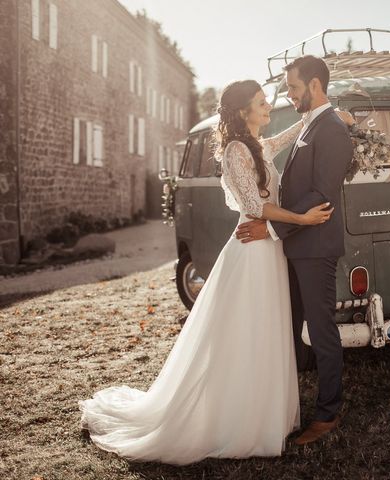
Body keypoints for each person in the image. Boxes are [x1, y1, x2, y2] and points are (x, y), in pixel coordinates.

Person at [79, 79, 342, 465]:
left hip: (268, 251)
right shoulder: (237, 151)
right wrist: (301, 217)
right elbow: (255, 206)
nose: (268, 105)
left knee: (264, 330)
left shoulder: (256, 145)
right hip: (251, 252)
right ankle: (237, 420)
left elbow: (289, 135)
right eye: (260, 101)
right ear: (242, 112)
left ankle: (264, 414)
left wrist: (325, 114)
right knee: (243, 333)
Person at [235, 55, 354, 445]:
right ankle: (289, 403)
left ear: (316, 86)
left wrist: (270, 226)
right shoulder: (314, 124)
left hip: (315, 246)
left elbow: (321, 195)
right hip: (297, 244)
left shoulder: (331, 129)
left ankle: (328, 414)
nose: (289, 94)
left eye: (295, 87)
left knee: (321, 331)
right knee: (290, 328)